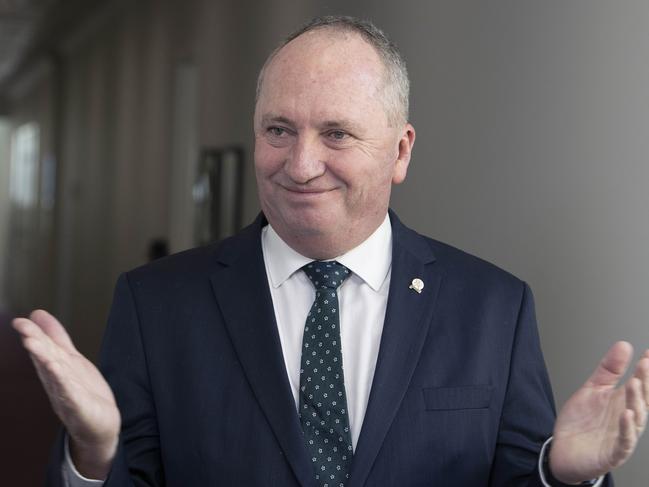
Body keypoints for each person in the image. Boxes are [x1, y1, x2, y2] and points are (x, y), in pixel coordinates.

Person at [12, 16, 649, 487]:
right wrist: (94, 456)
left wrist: (563, 475)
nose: (302, 164)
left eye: (336, 132)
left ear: (400, 151)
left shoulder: (493, 308)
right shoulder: (156, 304)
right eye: (279, 130)